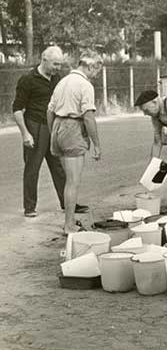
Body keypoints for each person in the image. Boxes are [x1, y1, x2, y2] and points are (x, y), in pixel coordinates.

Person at [12, 46, 88, 217]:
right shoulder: (27, 79)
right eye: (55, 64)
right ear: (43, 59)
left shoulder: (57, 78)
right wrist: (25, 133)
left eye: (60, 65)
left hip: (53, 127)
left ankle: (67, 204)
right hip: (35, 127)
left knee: (60, 168)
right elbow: (17, 109)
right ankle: (29, 208)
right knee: (32, 168)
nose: (57, 68)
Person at [47, 51, 103, 235]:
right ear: (89, 66)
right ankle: (69, 225)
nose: (95, 75)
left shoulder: (62, 81)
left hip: (57, 126)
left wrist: (53, 131)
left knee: (68, 180)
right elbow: (88, 117)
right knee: (73, 182)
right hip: (73, 127)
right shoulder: (84, 85)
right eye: (96, 71)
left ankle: (69, 220)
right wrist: (96, 144)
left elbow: (50, 110)